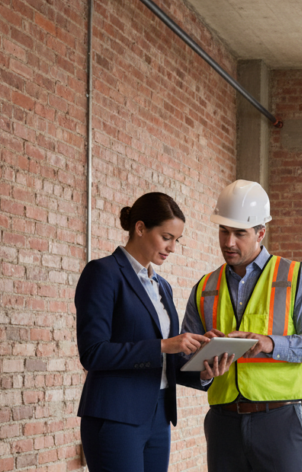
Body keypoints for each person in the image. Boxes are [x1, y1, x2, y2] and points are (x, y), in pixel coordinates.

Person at [180, 180, 302, 472]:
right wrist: (203, 368)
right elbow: (185, 360)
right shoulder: (204, 287)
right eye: (223, 231)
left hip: (279, 421)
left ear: (260, 232)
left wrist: (271, 343)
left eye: (239, 233)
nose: (228, 242)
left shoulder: (293, 277)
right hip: (223, 422)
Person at [75, 192, 211, 472]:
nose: (172, 247)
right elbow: (93, 353)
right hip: (116, 416)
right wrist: (163, 345)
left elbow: (167, 361)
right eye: (166, 237)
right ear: (140, 228)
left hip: (159, 416)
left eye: (177, 240)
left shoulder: (162, 286)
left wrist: (203, 370)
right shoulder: (103, 273)